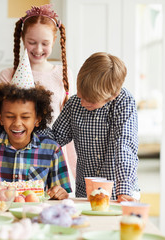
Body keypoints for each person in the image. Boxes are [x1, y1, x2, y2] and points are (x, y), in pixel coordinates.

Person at [0, 4, 77, 188]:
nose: (38, 49)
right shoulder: (7, 75)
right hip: (16, 158)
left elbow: (70, 125)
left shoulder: (63, 74)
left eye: (45, 43)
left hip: (54, 157)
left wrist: (74, 171)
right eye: (32, 42)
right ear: (22, 38)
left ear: (54, 41)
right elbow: (3, 121)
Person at [45, 52, 140, 202]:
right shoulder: (74, 104)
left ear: (112, 95)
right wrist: (31, 129)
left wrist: (124, 190)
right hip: (86, 192)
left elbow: (125, 146)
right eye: (81, 96)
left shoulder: (123, 103)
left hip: (119, 193)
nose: (82, 103)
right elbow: (55, 138)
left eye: (90, 101)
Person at [0, 83, 71, 200]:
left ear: (37, 120)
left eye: (25, 117)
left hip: (33, 213)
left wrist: (60, 193)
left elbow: (61, 192)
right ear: (0, 118)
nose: (17, 123)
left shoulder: (52, 149)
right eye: (10, 116)